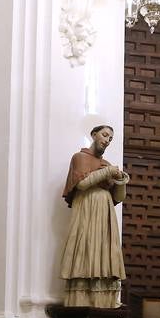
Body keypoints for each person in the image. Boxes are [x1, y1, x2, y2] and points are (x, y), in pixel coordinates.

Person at [59, 125, 129, 308]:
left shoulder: (105, 164)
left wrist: (121, 180)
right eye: (105, 135)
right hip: (87, 210)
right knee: (86, 248)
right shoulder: (80, 158)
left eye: (110, 139)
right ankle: (81, 298)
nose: (107, 140)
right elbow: (82, 184)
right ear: (93, 134)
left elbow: (119, 197)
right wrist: (107, 172)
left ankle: (103, 300)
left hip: (105, 213)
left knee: (104, 251)